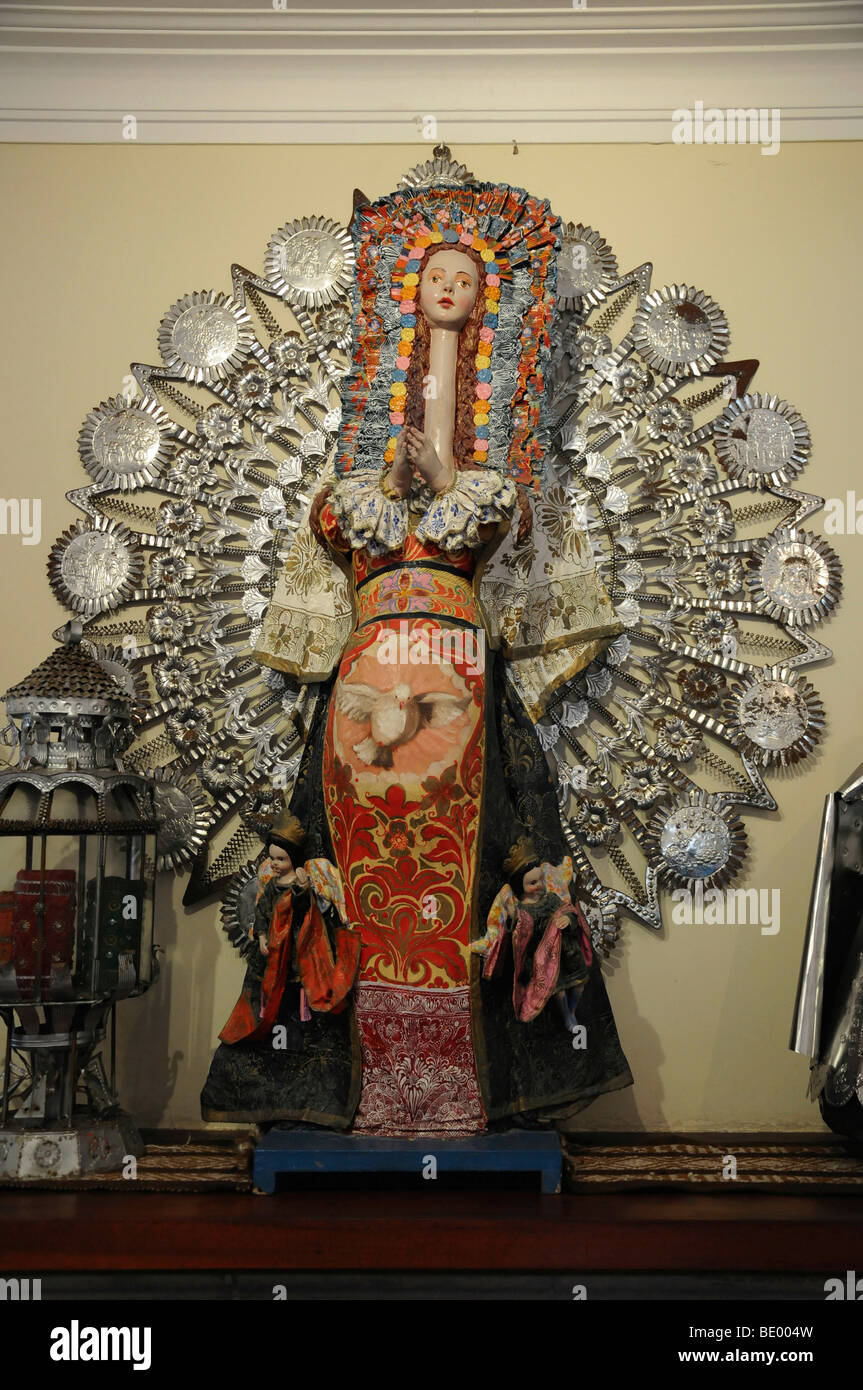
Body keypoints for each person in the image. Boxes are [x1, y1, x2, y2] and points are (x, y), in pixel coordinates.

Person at [206, 176, 632, 1134]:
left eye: (464, 277)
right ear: (404, 292)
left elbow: (526, 556)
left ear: (490, 300)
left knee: (485, 869)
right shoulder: (354, 491)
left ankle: (480, 1094)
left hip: (463, 702)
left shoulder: (492, 491)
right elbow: (316, 607)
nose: (447, 286)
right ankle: (341, 1095)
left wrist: (455, 479)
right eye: (432, 273)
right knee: (341, 883)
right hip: (361, 713)